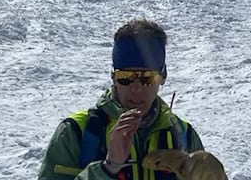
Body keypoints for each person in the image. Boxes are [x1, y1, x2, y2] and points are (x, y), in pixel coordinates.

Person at [37, 19, 208, 180]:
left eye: (147, 77)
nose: (136, 88)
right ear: (113, 76)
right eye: (125, 76)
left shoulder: (184, 135)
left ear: (163, 77)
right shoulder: (76, 134)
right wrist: (108, 168)